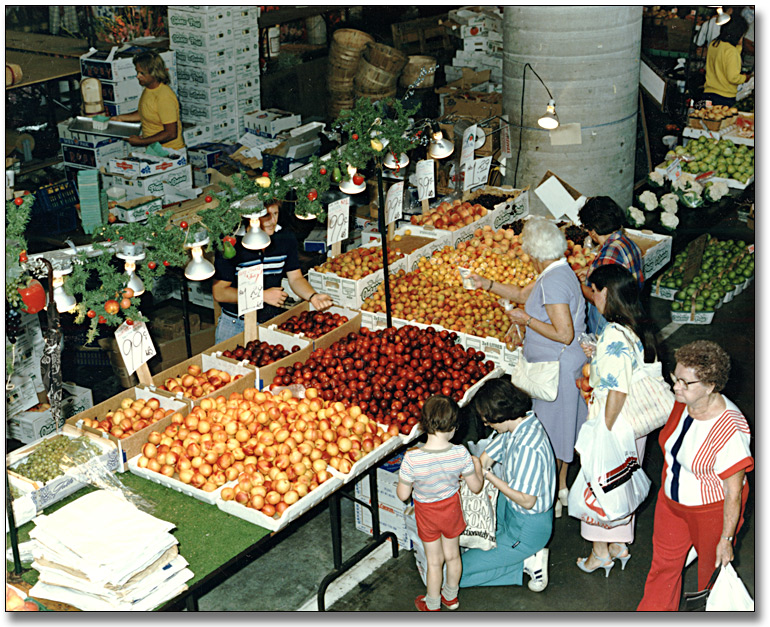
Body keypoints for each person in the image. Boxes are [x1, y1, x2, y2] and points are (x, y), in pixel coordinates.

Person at [472, 216, 587, 518]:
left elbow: (564, 333)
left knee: (552, 433)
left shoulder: (553, 282)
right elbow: (524, 295)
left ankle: (551, 495)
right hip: (558, 365)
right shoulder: (558, 271)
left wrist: (526, 321)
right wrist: (488, 285)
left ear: (534, 253)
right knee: (563, 429)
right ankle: (561, 489)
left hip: (555, 369)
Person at [637, 340, 753, 611]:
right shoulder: (683, 403)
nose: (676, 386)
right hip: (671, 504)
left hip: (710, 512)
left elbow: (734, 492)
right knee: (662, 569)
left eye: (686, 383)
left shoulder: (730, 428)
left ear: (711, 386)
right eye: (676, 378)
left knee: (707, 580)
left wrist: (726, 539)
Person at [575, 264, 661, 577]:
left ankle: (599, 552)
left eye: (594, 291)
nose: (592, 297)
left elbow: (617, 390)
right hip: (633, 427)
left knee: (599, 484)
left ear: (606, 292)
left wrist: (603, 431)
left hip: (613, 423)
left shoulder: (612, 331)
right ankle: (619, 544)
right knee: (622, 482)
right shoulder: (633, 325)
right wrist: (599, 354)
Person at [459, 378, 556, 592]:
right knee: (478, 547)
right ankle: (510, 554)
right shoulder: (520, 424)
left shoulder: (527, 447)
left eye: (488, 421)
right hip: (511, 511)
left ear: (500, 415)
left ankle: (527, 561)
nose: (486, 425)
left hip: (528, 526)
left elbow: (528, 500)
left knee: (453, 574)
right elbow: (487, 457)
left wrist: (488, 476)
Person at [396, 395, 483, 612]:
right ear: (454, 426)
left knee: (434, 561)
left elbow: (402, 494)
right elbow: (476, 487)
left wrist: (406, 481)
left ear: (423, 424)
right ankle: (451, 598)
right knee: (453, 556)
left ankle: (432, 603)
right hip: (451, 510)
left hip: (427, 514)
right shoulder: (461, 453)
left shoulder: (412, 459)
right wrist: (478, 467)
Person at [212, 200, 333, 342]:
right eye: (266, 216)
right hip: (235, 324)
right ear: (251, 217)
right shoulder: (232, 244)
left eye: (275, 213)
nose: (273, 221)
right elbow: (220, 292)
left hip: (270, 321)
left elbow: (295, 278)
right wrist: (261, 296)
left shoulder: (285, 238)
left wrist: (312, 296)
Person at [577, 196, 644, 335]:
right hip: (631, 310)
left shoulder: (609, 254)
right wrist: (590, 271)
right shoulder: (628, 243)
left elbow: (602, 300)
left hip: (609, 321)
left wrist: (577, 285)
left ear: (593, 231)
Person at [111, 51, 185, 150]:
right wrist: (120, 118)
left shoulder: (164, 97)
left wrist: (141, 142)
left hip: (170, 151)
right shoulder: (149, 90)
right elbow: (147, 112)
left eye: (142, 73)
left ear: (154, 73)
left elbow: (171, 134)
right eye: (137, 72)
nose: (138, 76)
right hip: (155, 150)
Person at [702, 14, 751, 107]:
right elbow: (733, 77)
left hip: (708, 93)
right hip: (724, 97)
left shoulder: (714, 44)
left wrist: (739, 45)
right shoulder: (731, 51)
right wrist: (745, 78)